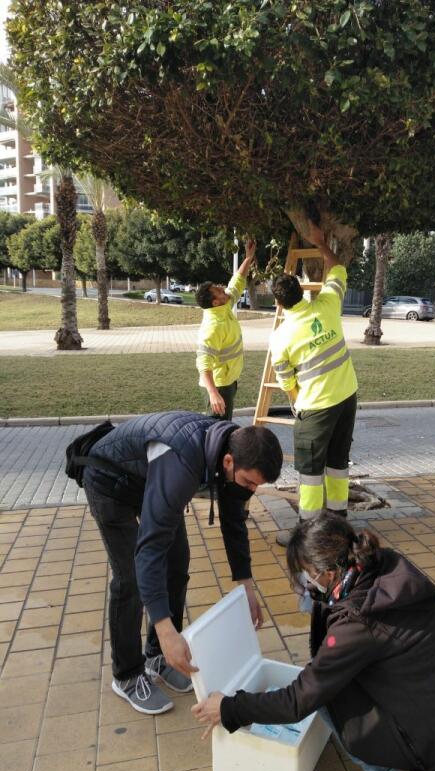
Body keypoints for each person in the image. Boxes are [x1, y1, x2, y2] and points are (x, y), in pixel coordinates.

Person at [192, 512, 435, 771]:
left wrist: (228, 708)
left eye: (304, 576)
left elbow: (299, 700)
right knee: (328, 676)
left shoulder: (358, 622)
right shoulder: (383, 565)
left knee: (324, 694)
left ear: (328, 572)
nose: (301, 585)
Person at [82, 411, 283, 715]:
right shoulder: (182, 464)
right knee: (132, 578)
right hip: (109, 483)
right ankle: (127, 675)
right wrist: (166, 630)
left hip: (147, 480)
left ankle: (156, 657)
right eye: (249, 482)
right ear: (229, 462)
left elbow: (235, 522)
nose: (251, 490)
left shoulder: (232, 450)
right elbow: (149, 549)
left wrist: (247, 587)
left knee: (177, 564)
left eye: (257, 486)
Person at [270, 223, 357, 542]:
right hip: (346, 397)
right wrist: (322, 244)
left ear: (279, 303)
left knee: (309, 473)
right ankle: (339, 525)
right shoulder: (329, 303)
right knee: (337, 464)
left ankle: (308, 534)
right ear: (302, 289)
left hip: (316, 409)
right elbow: (337, 269)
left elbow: (286, 382)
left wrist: (297, 405)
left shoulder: (281, 338)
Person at [196, 239, 256, 420]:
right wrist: (214, 394)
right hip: (219, 386)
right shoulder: (212, 327)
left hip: (228, 381)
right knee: (217, 434)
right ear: (215, 302)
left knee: (223, 430)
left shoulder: (224, 307)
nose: (223, 289)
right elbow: (203, 364)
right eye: (218, 291)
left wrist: (248, 258)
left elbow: (236, 283)